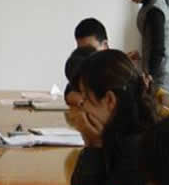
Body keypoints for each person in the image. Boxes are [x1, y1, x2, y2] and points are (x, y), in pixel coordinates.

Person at [68, 49, 159, 185]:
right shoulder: (118, 132)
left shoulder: (135, 150)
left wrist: (93, 146)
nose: (82, 106)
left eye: (86, 97)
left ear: (110, 100)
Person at [117, 0, 169, 94]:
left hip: (162, 77)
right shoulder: (149, 4)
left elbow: (158, 47)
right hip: (156, 74)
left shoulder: (155, 8)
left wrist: (149, 75)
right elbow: (151, 40)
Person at [64, 18, 109, 105]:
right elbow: (70, 89)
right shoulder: (82, 66)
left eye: (90, 49)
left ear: (105, 45)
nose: (85, 56)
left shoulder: (116, 69)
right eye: (80, 50)